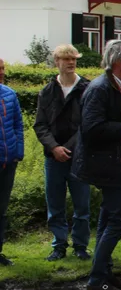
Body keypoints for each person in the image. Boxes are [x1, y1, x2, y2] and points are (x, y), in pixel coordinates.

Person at [73, 40, 121, 290]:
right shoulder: (100, 88)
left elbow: (115, 122)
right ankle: (96, 281)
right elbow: (91, 129)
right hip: (109, 166)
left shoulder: (118, 87)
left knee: (108, 220)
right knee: (117, 221)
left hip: (119, 163)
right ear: (116, 61)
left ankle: (104, 274)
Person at [34, 44, 91, 262]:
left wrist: (69, 147)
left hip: (79, 157)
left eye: (74, 59)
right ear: (56, 62)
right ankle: (59, 246)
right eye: (66, 59)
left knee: (82, 205)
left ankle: (80, 246)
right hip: (53, 158)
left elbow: (88, 123)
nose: (71, 63)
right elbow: (40, 125)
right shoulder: (47, 91)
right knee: (55, 204)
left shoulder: (87, 88)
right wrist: (54, 147)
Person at [0, 62, 23, 267]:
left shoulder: (9, 94)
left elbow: (18, 125)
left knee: (1, 210)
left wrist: (17, 153)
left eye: (2, 68)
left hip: (8, 162)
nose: (1, 72)